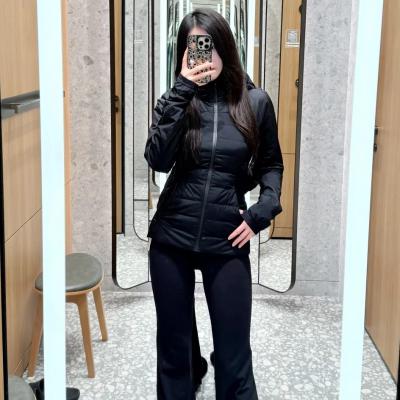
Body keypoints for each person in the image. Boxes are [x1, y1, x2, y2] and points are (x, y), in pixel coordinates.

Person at [144, 7, 284, 400]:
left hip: (227, 238)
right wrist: (181, 90)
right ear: (183, 54)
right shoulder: (176, 101)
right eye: (193, 48)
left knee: (233, 351)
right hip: (172, 236)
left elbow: (271, 164)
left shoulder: (255, 102)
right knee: (173, 348)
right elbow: (157, 160)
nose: (202, 56)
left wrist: (262, 211)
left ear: (224, 46)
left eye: (207, 45)